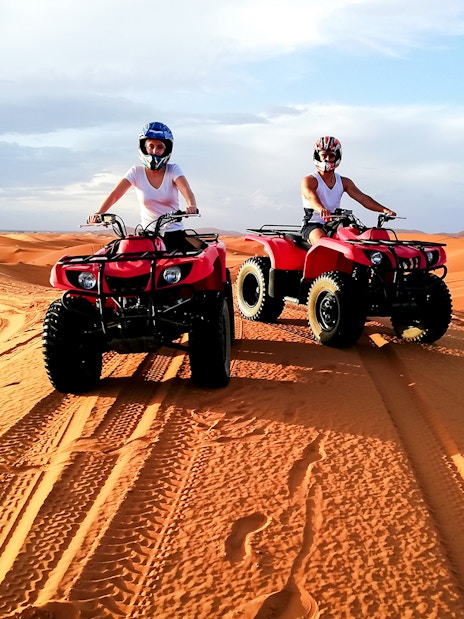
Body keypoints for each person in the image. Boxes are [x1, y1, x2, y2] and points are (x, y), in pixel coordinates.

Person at [87, 122, 198, 250]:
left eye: (159, 147)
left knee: (196, 260)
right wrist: (98, 214)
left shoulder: (173, 170)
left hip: (173, 234)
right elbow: (114, 195)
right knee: (117, 256)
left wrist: (191, 205)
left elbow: (186, 190)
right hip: (147, 236)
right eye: (151, 146)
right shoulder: (136, 172)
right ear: (144, 147)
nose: (154, 151)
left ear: (166, 149)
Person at [301, 136, 396, 244]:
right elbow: (311, 197)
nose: (327, 159)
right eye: (324, 155)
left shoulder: (344, 182)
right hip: (313, 223)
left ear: (337, 157)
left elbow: (363, 198)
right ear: (318, 156)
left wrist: (384, 210)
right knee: (323, 242)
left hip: (335, 223)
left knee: (359, 238)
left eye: (331, 155)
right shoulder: (309, 180)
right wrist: (321, 209)